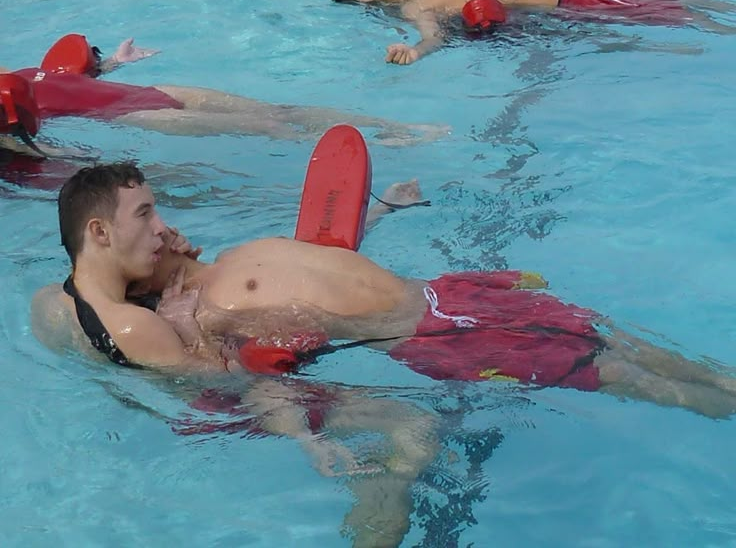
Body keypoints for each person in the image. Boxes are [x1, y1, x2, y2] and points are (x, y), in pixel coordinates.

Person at [32, 162, 736, 419]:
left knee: (608, 332)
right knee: (608, 369)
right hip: (431, 334)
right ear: (103, 235)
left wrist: (382, 209)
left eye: (162, 214)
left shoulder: (218, 265)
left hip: (443, 291)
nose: (166, 228)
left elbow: (324, 253)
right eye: (148, 217)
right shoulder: (186, 316)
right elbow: (227, 385)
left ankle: (726, 385)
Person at [4, 33, 446, 145]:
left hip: (154, 92)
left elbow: (76, 74)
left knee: (280, 108)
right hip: (136, 115)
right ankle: (365, 148)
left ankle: (397, 126)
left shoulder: (20, 75)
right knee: (268, 126)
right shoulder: (8, 106)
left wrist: (117, 61)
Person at [328, 0, 736, 64]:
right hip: (566, 9)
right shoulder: (417, 6)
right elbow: (434, 36)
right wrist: (415, 52)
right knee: (682, 15)